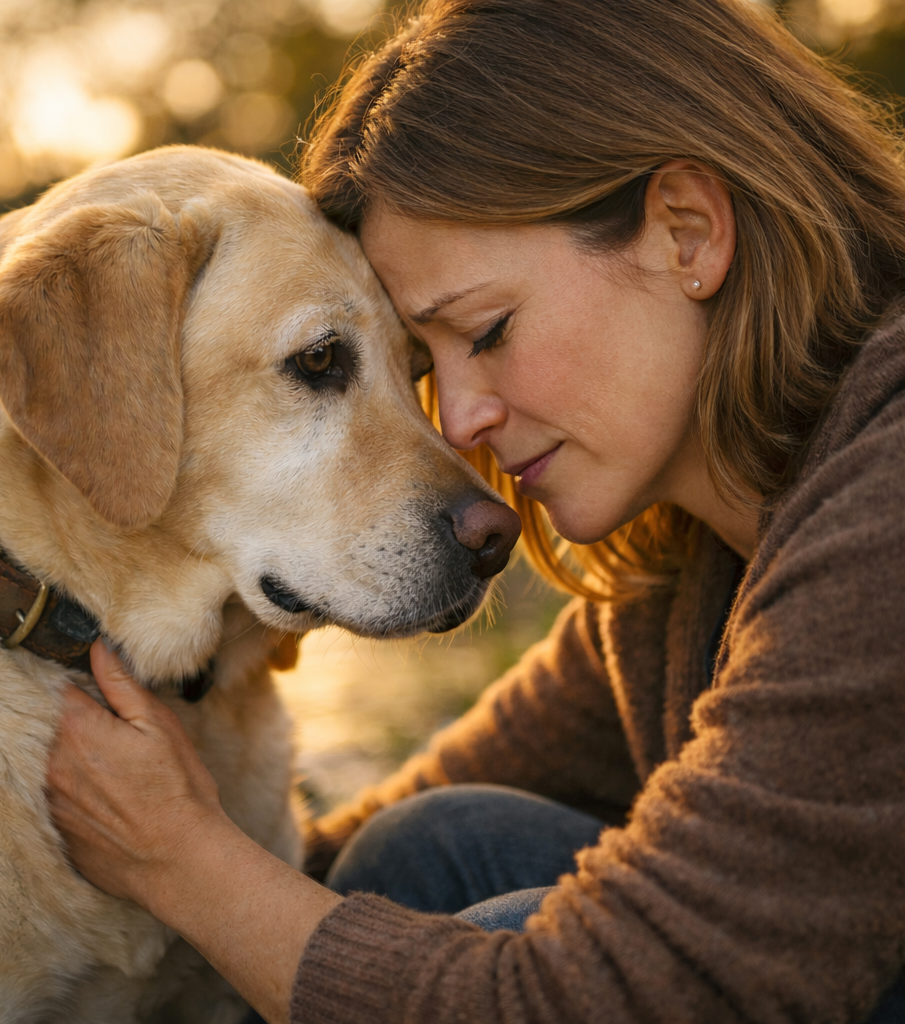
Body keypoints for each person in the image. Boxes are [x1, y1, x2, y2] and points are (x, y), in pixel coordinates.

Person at [45, 1, 905, 1022]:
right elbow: (359, 851)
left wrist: (182, 859)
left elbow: (604, 997)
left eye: (486, 329)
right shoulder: (684, 565)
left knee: (506, 939)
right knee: (423, 847)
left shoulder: (883, 515)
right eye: (425, 364)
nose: (458, 419)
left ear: (688, 231)